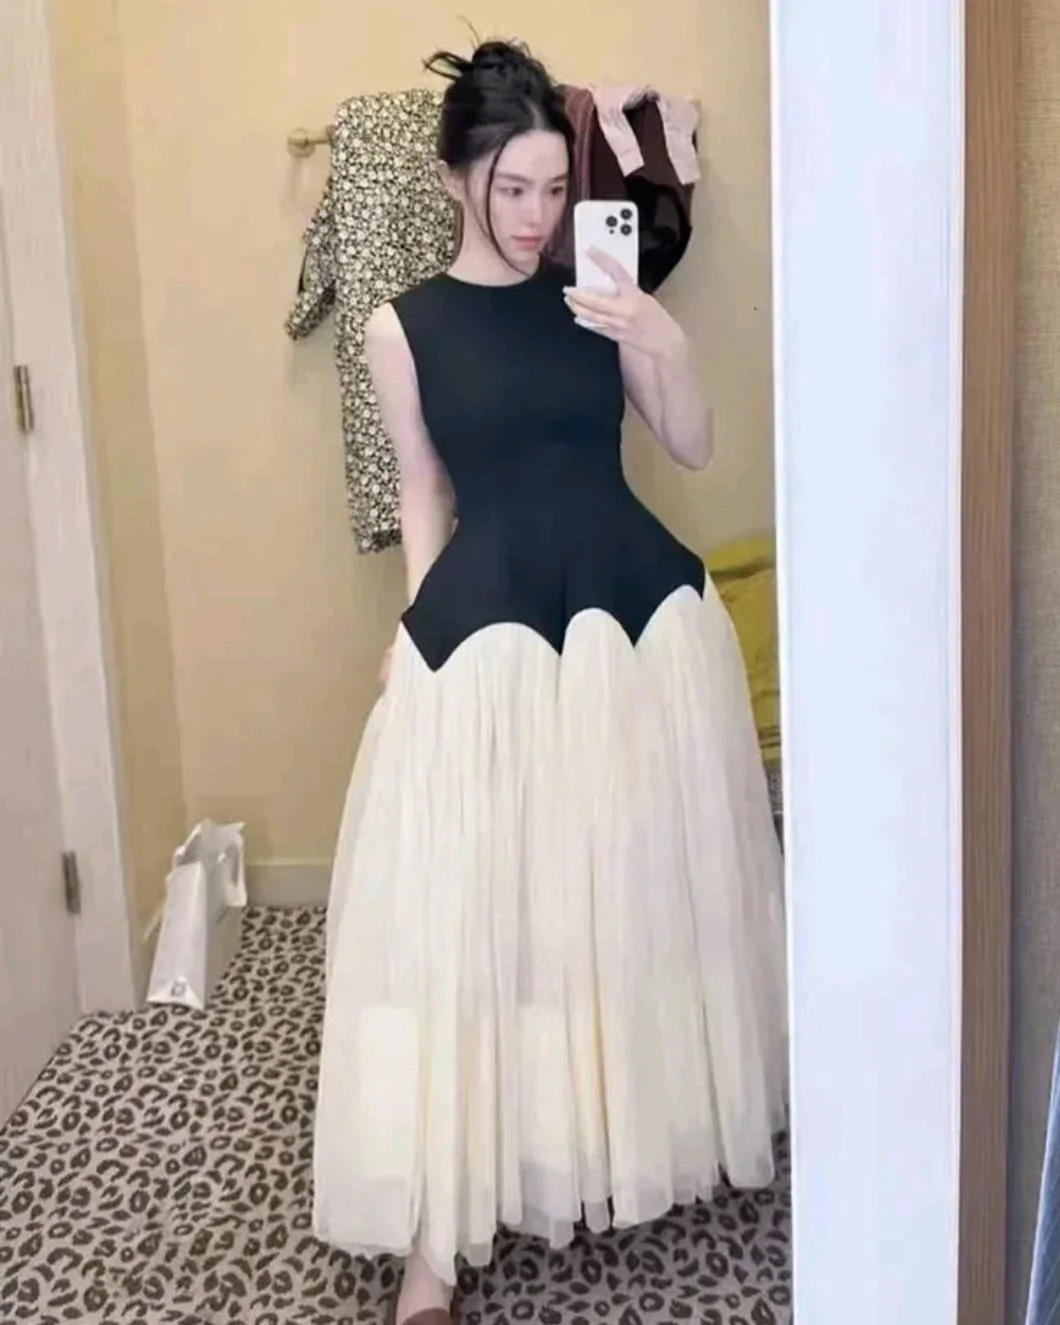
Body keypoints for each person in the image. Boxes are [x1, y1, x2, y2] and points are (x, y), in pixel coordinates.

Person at [312, 38, 788, 1325]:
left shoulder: (596, 289)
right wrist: (412, 630)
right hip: (491, 627)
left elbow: (690, 444)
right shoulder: (401, 327)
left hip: (632, 618)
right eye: (509, 188)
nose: (534, 216)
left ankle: (613, 1134)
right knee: (479, 912)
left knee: (622, 892)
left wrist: (659, 338)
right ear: (452, 176)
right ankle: (438, 1238)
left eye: (551, 187)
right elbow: (424, 492)